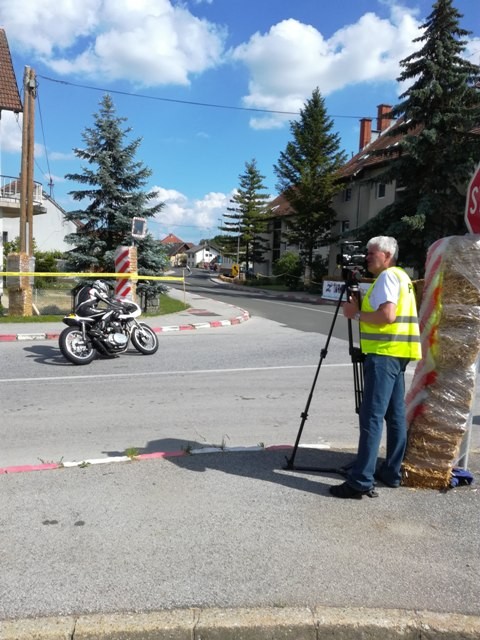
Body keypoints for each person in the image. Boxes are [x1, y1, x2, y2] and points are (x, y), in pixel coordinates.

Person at [330, 236, 421, 499]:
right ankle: (391, 472)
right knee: (394, 417)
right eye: (367, 252)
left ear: (388, 255)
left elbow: (387, 316)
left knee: (371, 416)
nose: (367, 257)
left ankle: (360, 480)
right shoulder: (402, 276)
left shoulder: (388, 278)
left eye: (372, 253)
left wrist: (355, 314)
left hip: (383, 355)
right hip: (398, 353)